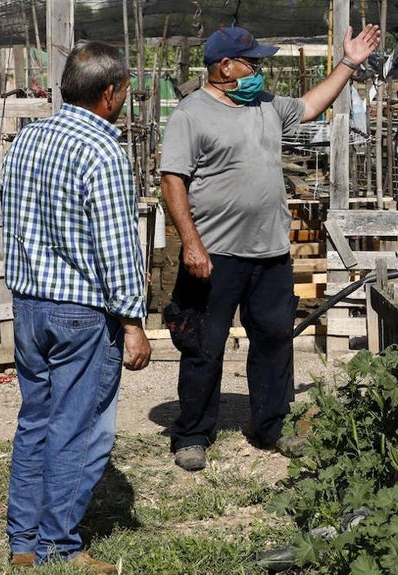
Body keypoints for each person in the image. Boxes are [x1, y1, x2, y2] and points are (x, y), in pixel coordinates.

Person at [161, 23, 379, 471]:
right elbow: (172, 181)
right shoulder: (191, 114)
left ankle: (271, 425)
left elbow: (311, 105)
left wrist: (348, 64)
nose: (259, 70)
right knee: (205, 344)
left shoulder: (265, 105)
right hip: (215, 253)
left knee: (274, 339)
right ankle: (193, 434)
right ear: (225, 67)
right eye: (252, 62)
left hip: (270, 252)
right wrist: (191, 244)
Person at [2, 41, 152, 572]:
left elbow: (13, 223)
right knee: (80, 427)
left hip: (29, 304)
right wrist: (133, 321)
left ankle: (23, 540)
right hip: (80, 311)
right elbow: (116, 246)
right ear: (109, 93)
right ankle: (56, 546)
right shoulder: (102, 151)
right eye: (126, 91)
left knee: (36, 420)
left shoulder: (27, 140)